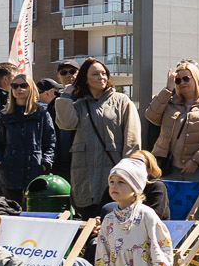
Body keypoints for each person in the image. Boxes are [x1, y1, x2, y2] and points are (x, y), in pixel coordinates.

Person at [49, 59, 142, 214]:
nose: (101, 77)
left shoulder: (122, 101)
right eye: (95, 74)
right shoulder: (79, 104)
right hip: (84, 175)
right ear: (85, 79)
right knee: (87, 220)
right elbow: (65, 123)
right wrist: (66, 95)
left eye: (104, 73)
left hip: (113, 172)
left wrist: (129, 170)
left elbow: (132, 140)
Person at [145, 60, 199, 187]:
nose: (182, 83)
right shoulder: (170, 102)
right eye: (178, 80)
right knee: (169, 206)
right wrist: (168, 89)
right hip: (170, 168)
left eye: (186, 78)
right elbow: (151, 116)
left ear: (196, 79)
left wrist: (196, 161)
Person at [0, 71, 55, 207]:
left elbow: (50, 142)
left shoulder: (42, 114)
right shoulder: (5, 114)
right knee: (11, 210)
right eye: (15, 85)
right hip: (10, 173)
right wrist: (0, 161)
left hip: (34, 171)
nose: (19, 89)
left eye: (24, 85)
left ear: (31, 88)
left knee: (34, 211)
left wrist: (45, 163)